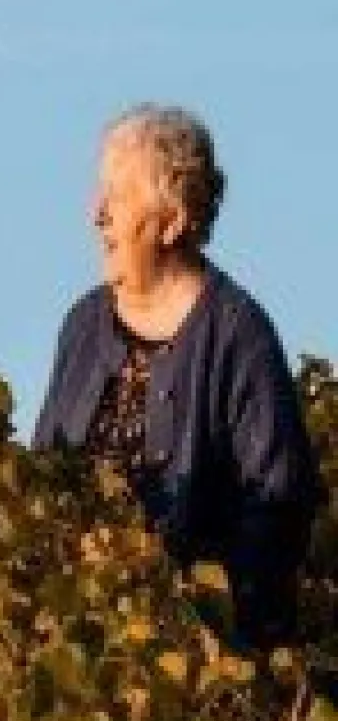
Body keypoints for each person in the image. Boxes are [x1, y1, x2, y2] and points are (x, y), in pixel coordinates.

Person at [32, 104, 322, 648]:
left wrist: (208, 626)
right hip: (76, 640)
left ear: (172, 221)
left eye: (117, 196)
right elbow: (41, 475)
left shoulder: (238, 333)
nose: (97, 214)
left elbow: (279, 503)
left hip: (192, 653)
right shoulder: (81, 326)